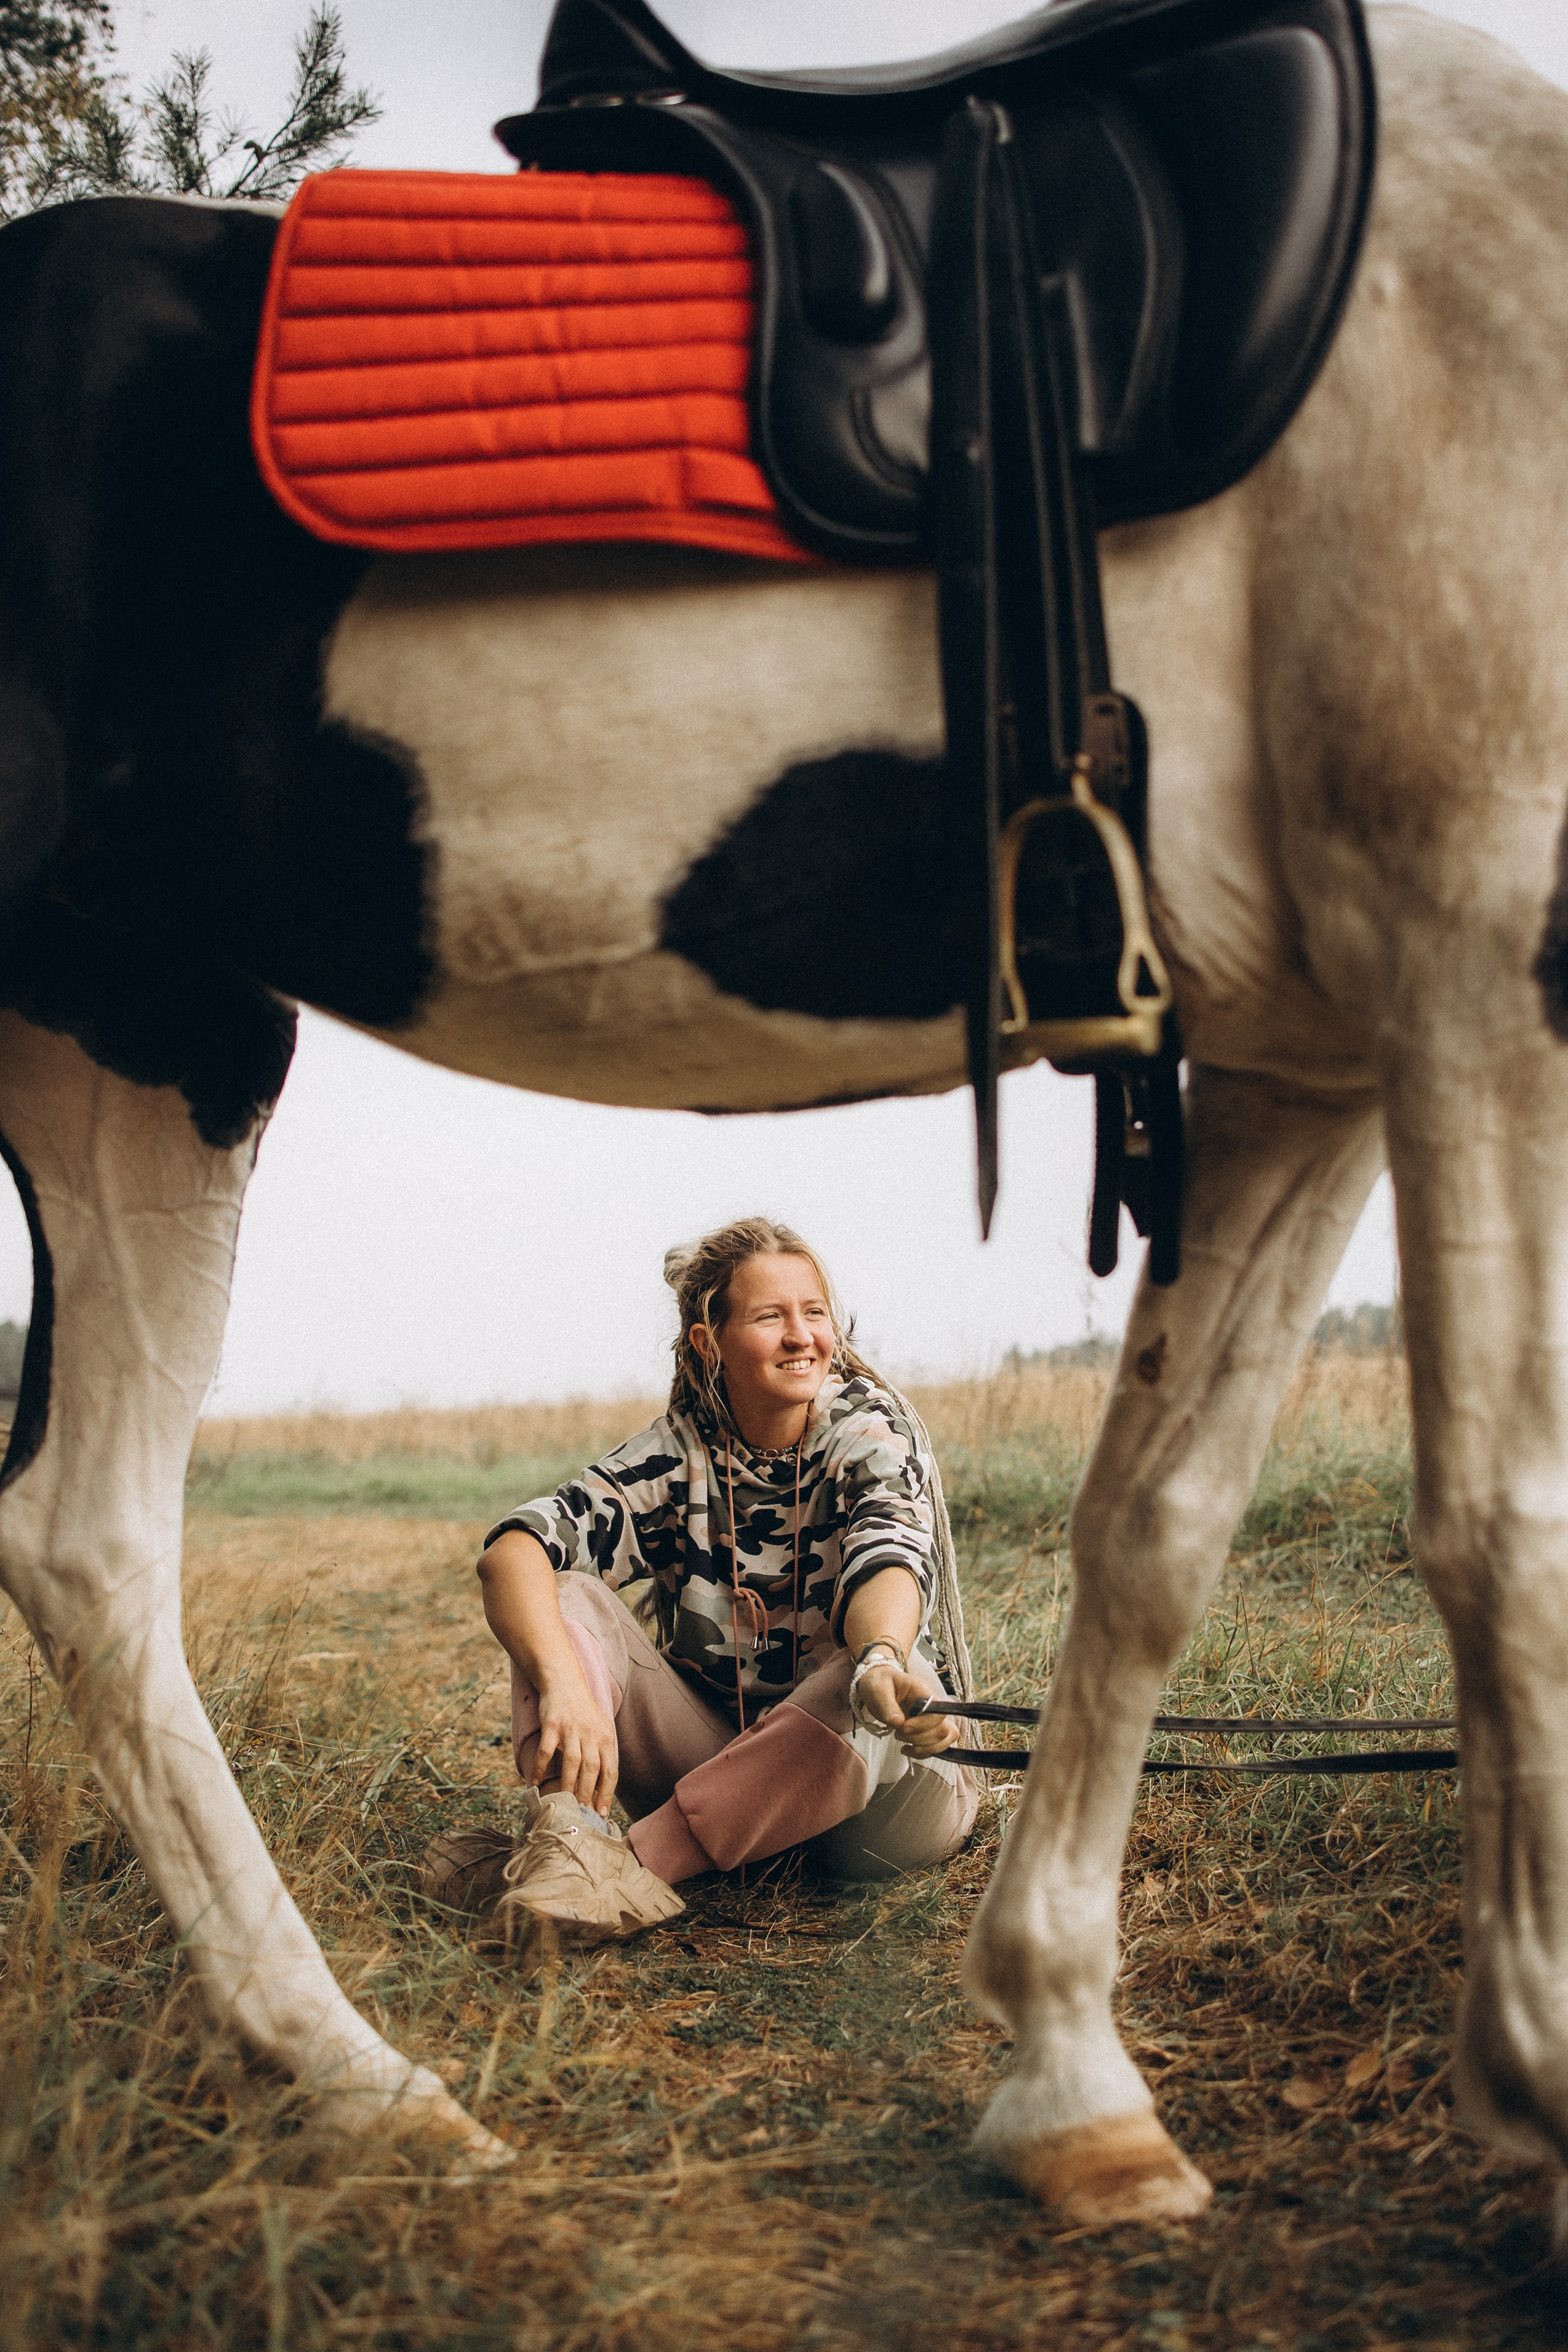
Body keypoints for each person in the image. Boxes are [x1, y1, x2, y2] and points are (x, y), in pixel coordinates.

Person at [421, 1216, 979, 1964]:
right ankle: (570, 1838)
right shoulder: (676, 1453)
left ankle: (617, 1866)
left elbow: (889, 1555)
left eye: (814, 1313)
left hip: (879, 1816)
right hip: (722, 1776)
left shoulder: (868, 1431)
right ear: (707, 1343)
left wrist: (882, 1656)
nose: (801, 1337)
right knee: (568, 1599)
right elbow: (513, 1552)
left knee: (860, 1677)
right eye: (769, 1317)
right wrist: (565, 1685)